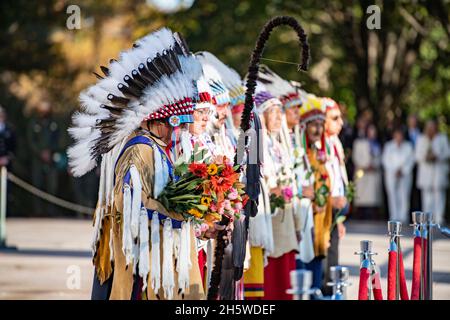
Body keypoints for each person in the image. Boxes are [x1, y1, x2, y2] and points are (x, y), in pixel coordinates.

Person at [68, 28, 225, 300]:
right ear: (156, 121)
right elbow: (131, 202)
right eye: (173, 123)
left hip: (159, 256)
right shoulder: (141, 148)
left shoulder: (159, 149)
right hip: (144, 261)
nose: (179, 131)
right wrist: (178, 216)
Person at [252, 87, 299, 300]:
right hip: (268, 219)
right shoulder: (255, 143)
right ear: (261, 115)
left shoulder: (277, 144)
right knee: (271, 279)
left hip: (284, 219)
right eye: (273, 112)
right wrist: (272, 190)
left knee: (285, 275)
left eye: (280, 112)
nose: (279, 117)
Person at [295, 94, 332, 293]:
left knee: (317, 263)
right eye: (313, 124)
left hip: (321, 220)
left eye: (321, 124)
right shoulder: (300, 154)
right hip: (306, 217)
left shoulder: (319, 154)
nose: (318, 129)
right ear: (304, 127)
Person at [322, 97, 348, 295]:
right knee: (323, 259)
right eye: (335, 118)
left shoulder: (335, 142)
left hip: (335, 210)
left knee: (333, 257)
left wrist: (339, 218)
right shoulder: (318, 144)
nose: (341, 123)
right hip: (322, 210)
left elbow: (339, 178)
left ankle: (332, 294)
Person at [415, 120, 450, 225]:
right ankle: (427, 218)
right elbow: (417, 155)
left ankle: (439, 218)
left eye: (432, 127)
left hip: (439, 171)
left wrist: (437, 156)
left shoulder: (442, 138)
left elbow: (448, 153)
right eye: (429, 127)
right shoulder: (421, 139)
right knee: (426, 196)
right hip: (426, 172)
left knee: (439, 195)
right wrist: (425, 157)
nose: (430, 130)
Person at [382, 128, 415, 223]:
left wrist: (403, 170)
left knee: (404, 195)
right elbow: (385, 160)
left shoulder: (408, 146)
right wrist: (394, 170)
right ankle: (394, 216)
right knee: (392, 195)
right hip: (392, 175)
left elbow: (411, 160)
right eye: (397, 135)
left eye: (400, 135)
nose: (399, 137)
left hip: (405, 175)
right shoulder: (389, 146)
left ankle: (403, 216)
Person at [352, 124, 383, 220]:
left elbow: (379, 157)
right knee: (362, 195)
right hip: (363, 171)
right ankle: (360, 214)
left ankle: (373, 214)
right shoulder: (359, 143)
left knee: (373, 195)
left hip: (373, 172)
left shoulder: (376, 144)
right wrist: (365, 165)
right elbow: (356, 157)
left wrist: (374, 165)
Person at [0, 106, 16, 170]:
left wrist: (8, 158)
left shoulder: (10, 129)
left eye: (2, 114)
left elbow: (14, 147)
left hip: (6, 163)